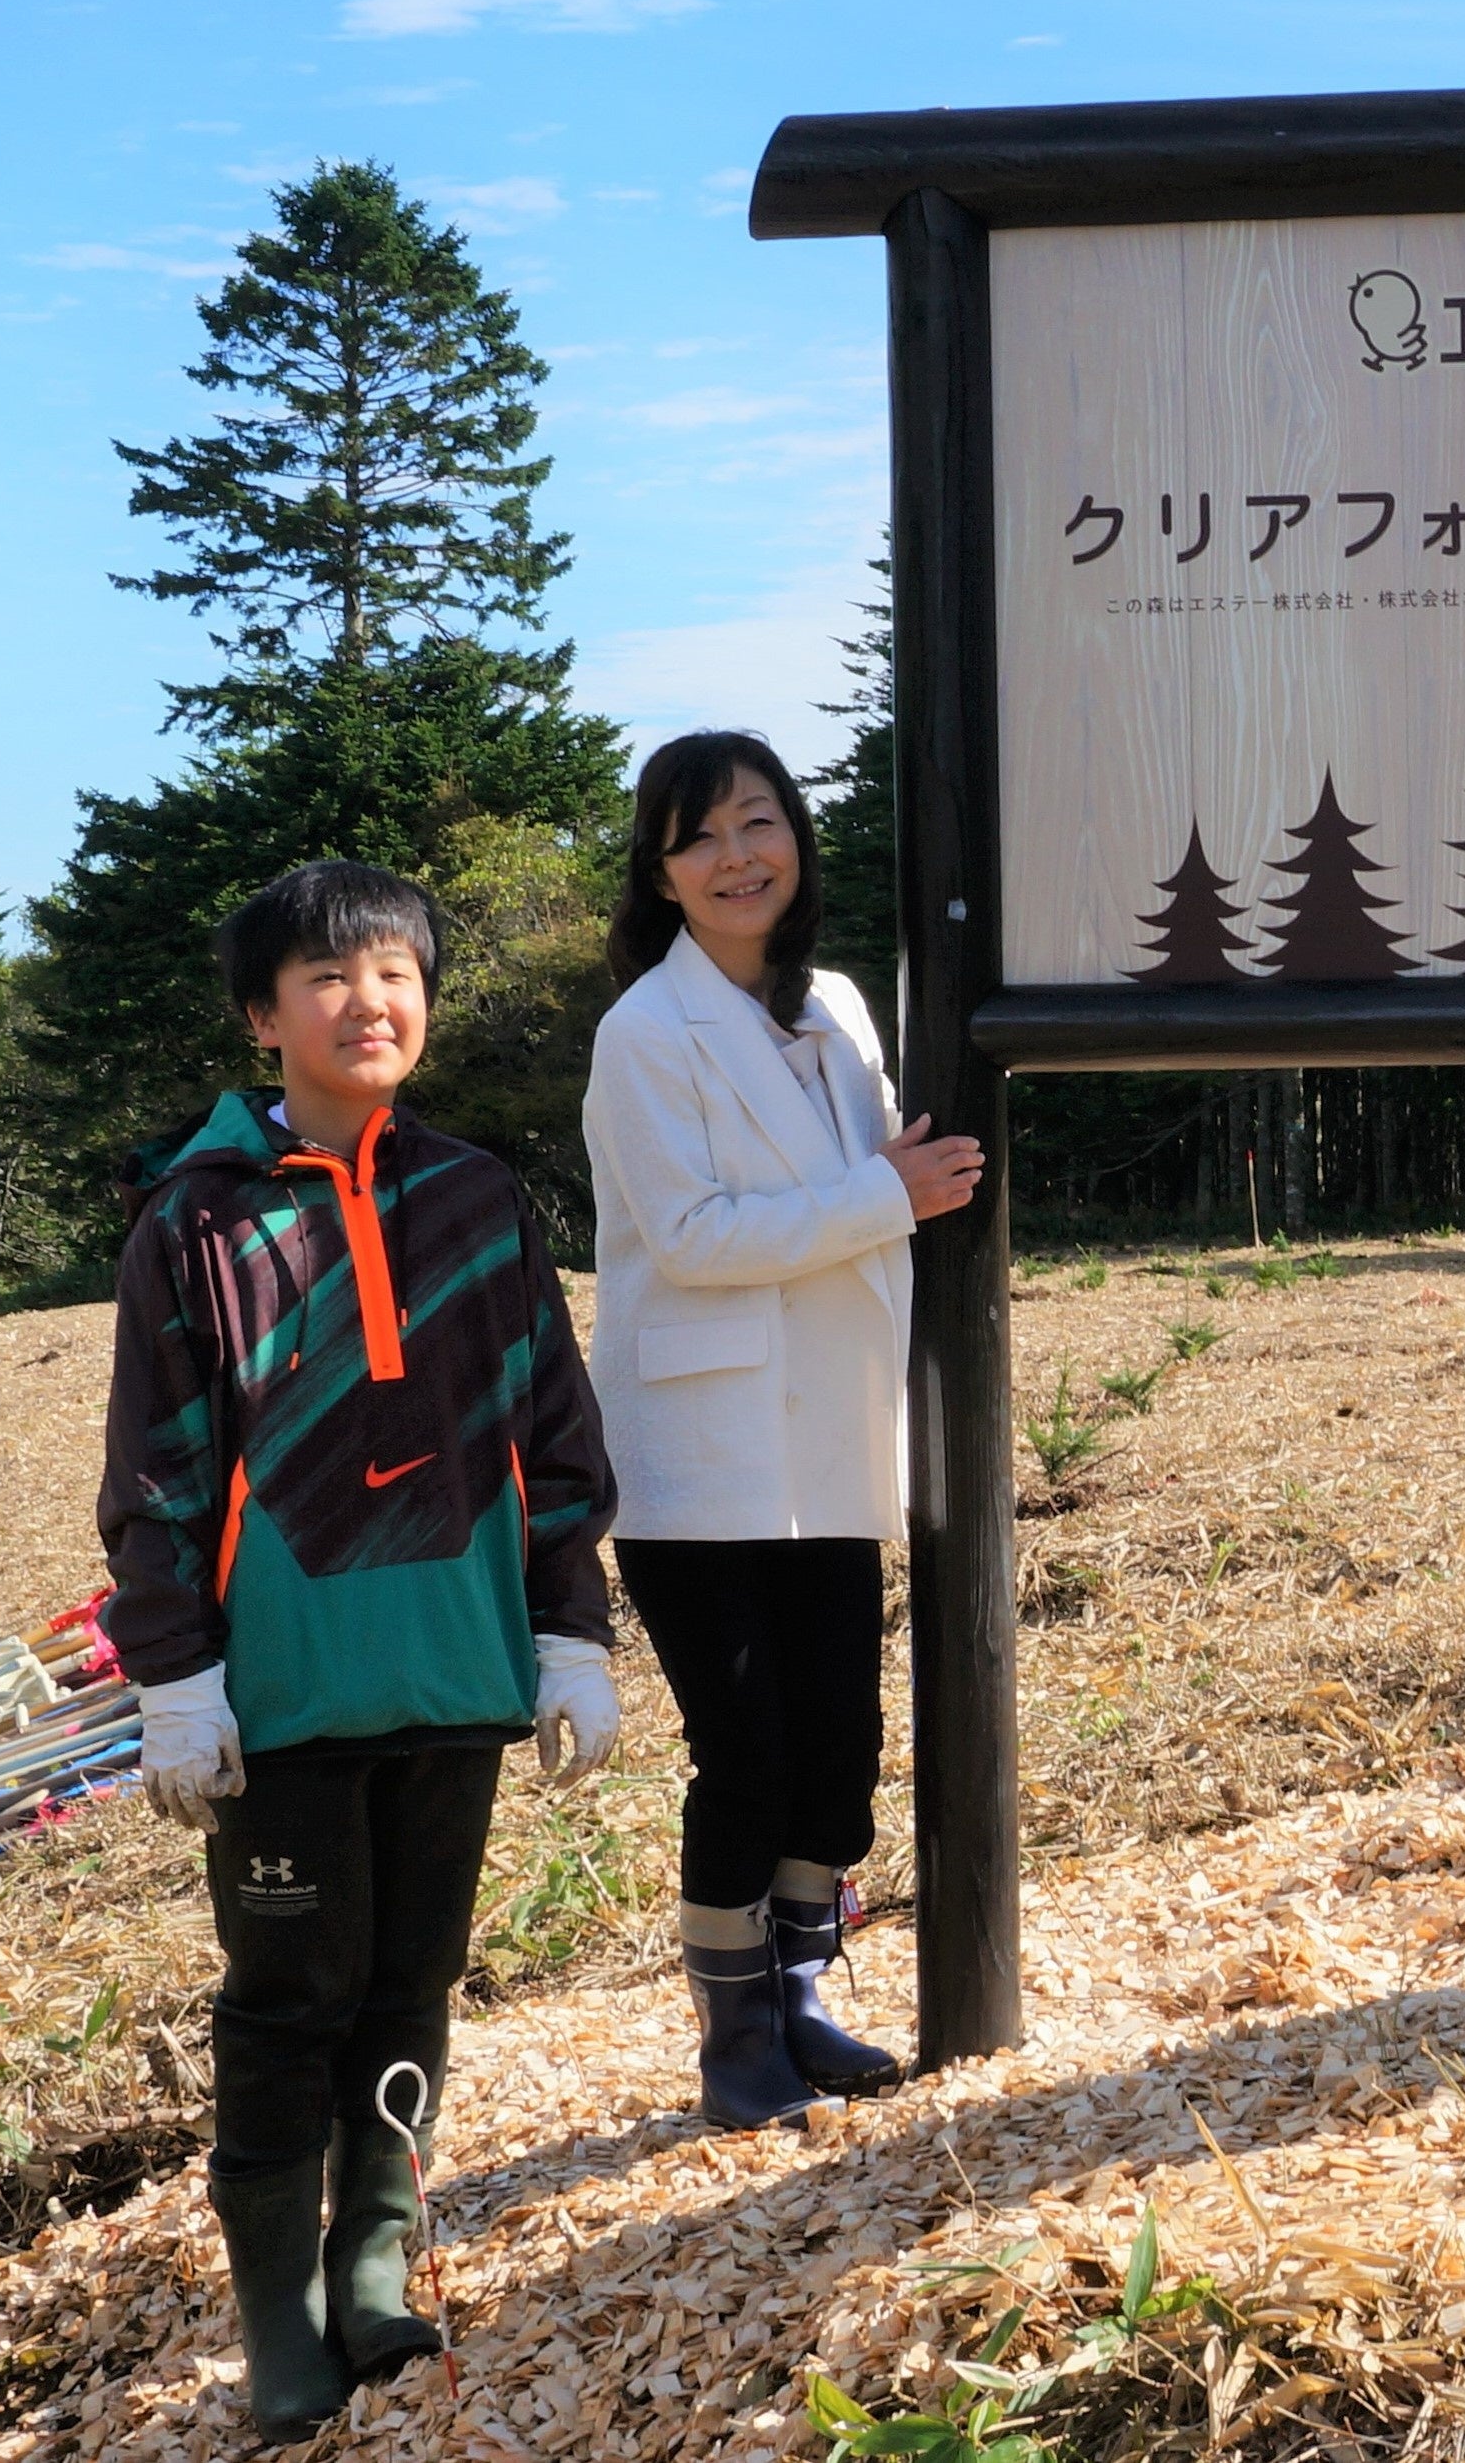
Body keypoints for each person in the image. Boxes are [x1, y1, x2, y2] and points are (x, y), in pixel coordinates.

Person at [103, 860, 622, 2445]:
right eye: (327, 979)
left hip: (456, 1678)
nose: (368, 1001)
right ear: (264, 1017)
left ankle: (375, 2267)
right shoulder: (196, 1223)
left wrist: (568, 1629)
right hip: (283, 1697)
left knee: (411, 1982)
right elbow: (161, 1472)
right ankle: (277, 2314)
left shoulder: (477, 1200)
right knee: (289, 1997)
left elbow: (551, 1426)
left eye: (395, 971)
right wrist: (175, 1676)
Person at [585, 732, 984, 2127]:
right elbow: (690, 1238)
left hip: (832, 1437)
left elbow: (887, 1173)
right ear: (663, 872)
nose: (737, 856)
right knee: (743, 1750)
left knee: (840, 1743)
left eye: (760, 823)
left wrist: (901, 1190)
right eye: (700, 837)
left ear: (797, 841)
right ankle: (733, 2029)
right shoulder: (644, 1033)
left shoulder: (841, 1011)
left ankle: (806, 1986)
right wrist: (890, 1196)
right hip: (703, 1453)